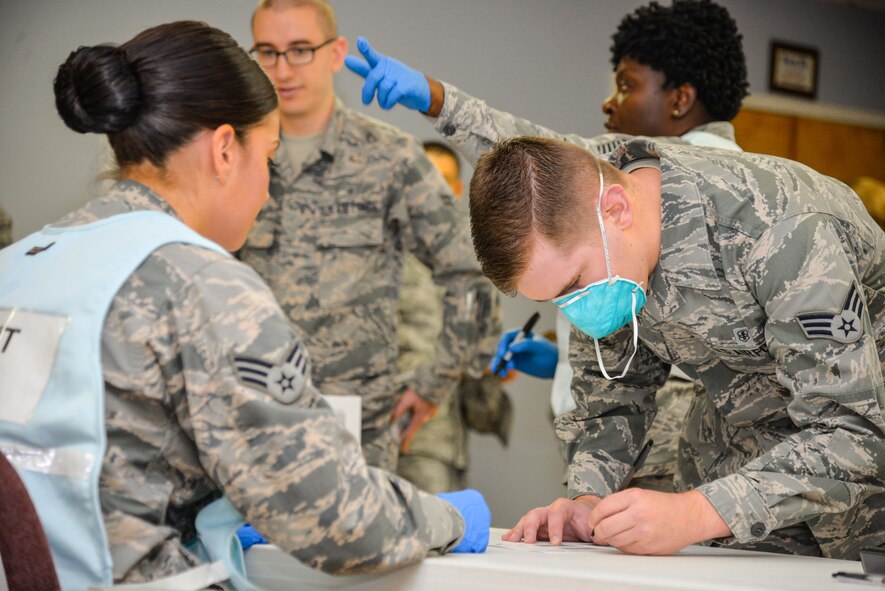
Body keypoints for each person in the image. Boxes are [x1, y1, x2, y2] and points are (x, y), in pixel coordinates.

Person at [0, 20, 487, 588]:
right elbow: (337, 519)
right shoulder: (202, 283)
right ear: (226, 149)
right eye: (270, 158)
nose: (268, 186)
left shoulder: (23, 261)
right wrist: (449, 517)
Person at [344, 0, 748, 490]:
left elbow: (532, 152)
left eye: (627, 84)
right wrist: (556, 356)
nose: (609, 102)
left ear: (681, 99)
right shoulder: (647, 177)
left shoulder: (690, 173)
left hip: (661, 452)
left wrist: (435, 98)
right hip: (630, 450)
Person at [467, 135, 885, 560]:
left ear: (616, 209)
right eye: (556, 298)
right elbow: (611, 395)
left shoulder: (778, 229)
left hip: (865, 487)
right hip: (739, 462)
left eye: (574, 284)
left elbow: (854, 430)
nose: (577, 309)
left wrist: (694, 513)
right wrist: (588, 502)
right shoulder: (609, 253)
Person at [239, 0, 499, 472]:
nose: (283, 69)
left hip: (358, 435)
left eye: (300, 50)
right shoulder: (232, 158)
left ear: (336, 53)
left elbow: (471, 274)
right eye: (268, 52)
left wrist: (434, 381)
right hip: (254, 424)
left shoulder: (390, 159)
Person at [396, 140, 512, 493]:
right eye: (424, 179)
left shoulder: (472, 266)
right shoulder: (378, 256)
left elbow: (482, 350)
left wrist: (493, 369)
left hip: (437, 441)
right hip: (371, 430)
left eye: (444, 181)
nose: (433, 192)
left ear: (458, 190)